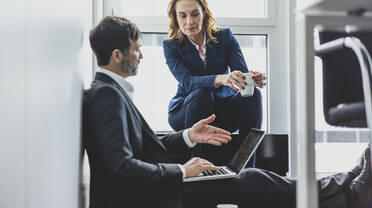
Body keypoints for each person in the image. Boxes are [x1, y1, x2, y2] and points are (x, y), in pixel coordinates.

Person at [83, 15, 372, 208]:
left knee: (250, 177)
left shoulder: (110, 91)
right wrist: (182, 170)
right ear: (117, 54)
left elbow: (142, 148)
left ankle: (340, 186)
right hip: (148, 197)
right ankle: (344, 194)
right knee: (250, 180)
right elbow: (122, 170)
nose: (141, 55)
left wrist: (188, 136)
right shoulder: (106, 95)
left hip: (154, 188)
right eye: (136, 48)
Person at [163, 0, 266, 159]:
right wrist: (220, 79)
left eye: (195, 14)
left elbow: (240, 73)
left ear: (205, 14)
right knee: (201, 94)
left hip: (222, 111)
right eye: (182, 16)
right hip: (187, 111)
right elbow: (187, 82)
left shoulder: (224, 37)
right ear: (176, 19)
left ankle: (247, 166)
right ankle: (195, 166)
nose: (189, 21)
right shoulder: (171, 46)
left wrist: (251, 80)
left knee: (253, 95)